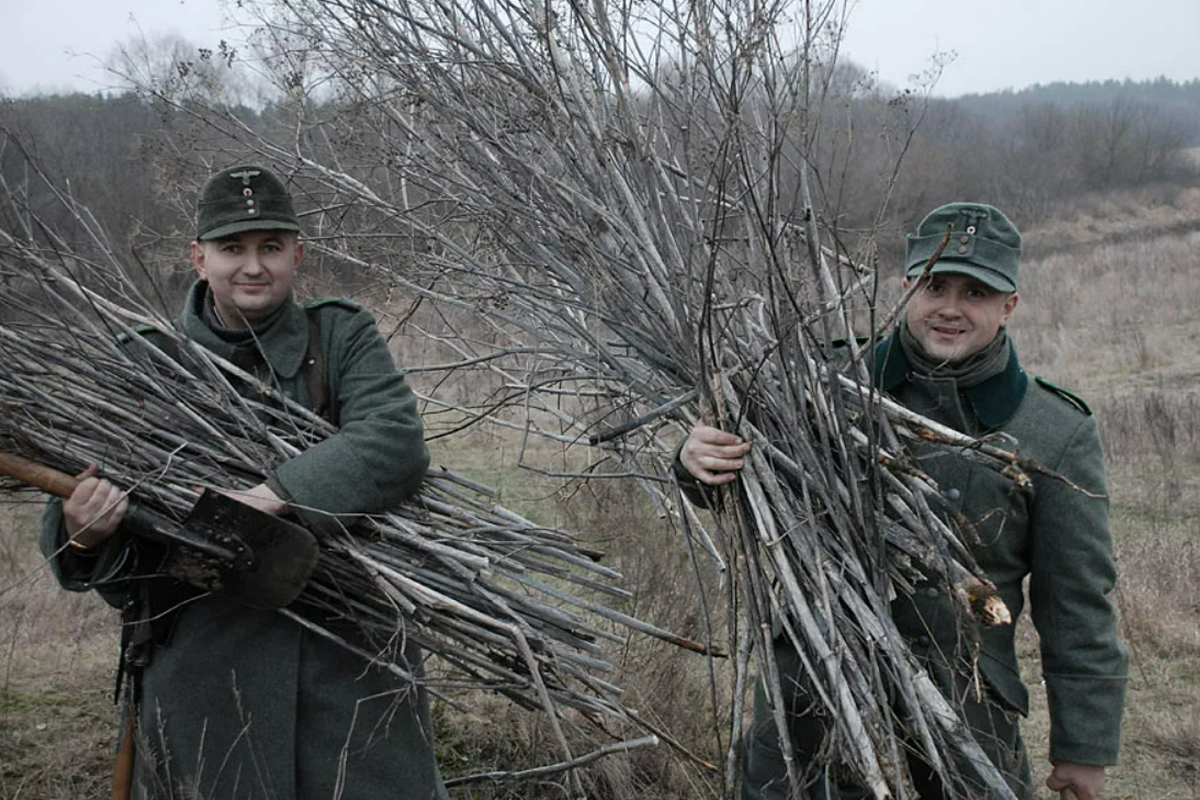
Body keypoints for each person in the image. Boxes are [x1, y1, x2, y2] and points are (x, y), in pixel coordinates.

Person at [676, 203, 1128, 800]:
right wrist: (695, 463)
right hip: (810, 695)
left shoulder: (1051, 430)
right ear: (908, 286)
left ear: (1008, 305)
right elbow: (739, 488)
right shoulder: (821, 382)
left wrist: (1083, 747)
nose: (949, 307)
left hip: (964, 721)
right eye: (935, 284)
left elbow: (1076, 603)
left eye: (975, 292)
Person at [41, 164, 447, 799]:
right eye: (233, 248)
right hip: (205, 677)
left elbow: (394, 440)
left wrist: (271, 497)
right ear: (199, 258)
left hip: (348, 669)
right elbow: (77, 528)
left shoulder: (340, 335)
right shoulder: (150, 362)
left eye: (270, 247)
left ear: (297, 254)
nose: (252, 266)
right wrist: (84, 534)